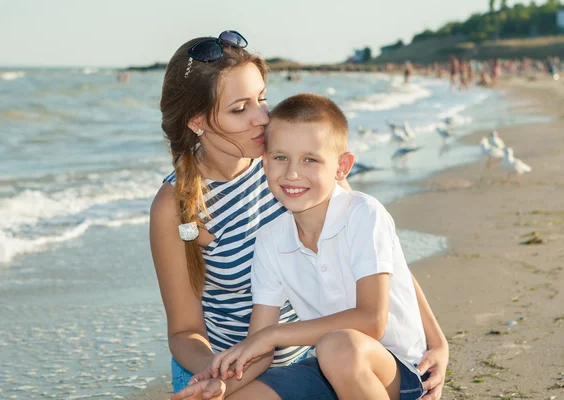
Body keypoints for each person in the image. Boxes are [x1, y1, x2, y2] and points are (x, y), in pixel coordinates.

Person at [152, 31, 448, 400]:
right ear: (197, 122)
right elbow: (183, 331)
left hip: (324, 355)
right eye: (239, 108)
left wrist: (437, 341)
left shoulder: (290, 165)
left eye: (262, 99)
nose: (262, 118)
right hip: (225, 364)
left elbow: (379, 257)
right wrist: (220, 375)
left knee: (338, 354)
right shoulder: (176, 204)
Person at [208, 94, 448, 400]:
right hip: (326, 368)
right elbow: (261, 349)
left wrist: (274, 335)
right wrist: (222, 386)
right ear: (265, 163)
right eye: (281, 157)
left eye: (310, 159)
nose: (292, 172)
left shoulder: (363, 214)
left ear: (342, 167)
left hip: (401, 372)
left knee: (336, 346)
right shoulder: (270, 240)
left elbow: (370, 322)